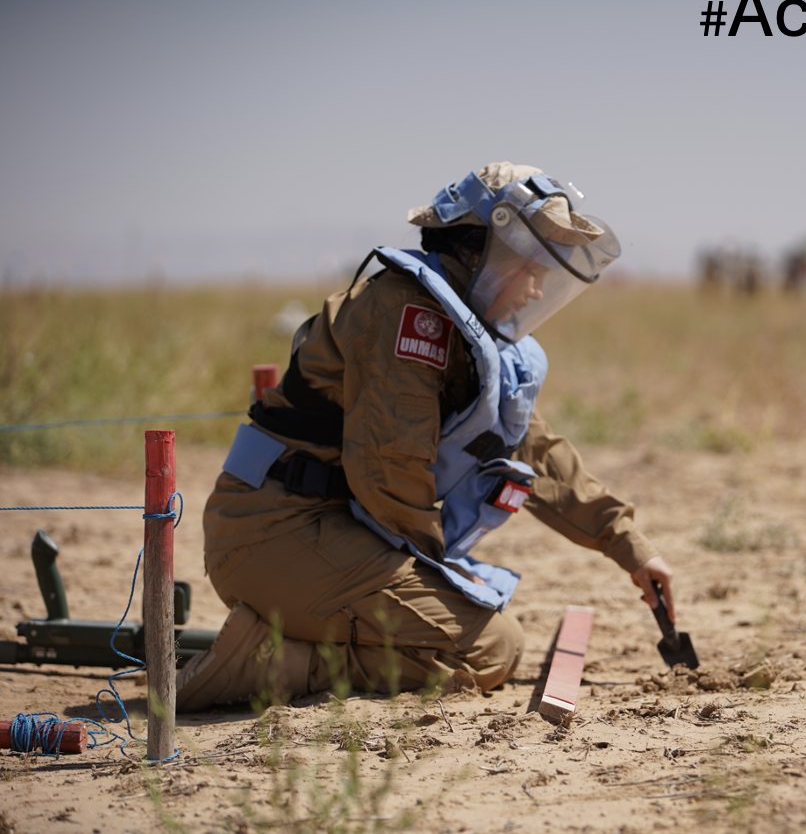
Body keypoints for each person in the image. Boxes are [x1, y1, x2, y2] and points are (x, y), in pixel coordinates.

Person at [176, 162, 674, 710]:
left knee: (485, 628)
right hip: (277, 533)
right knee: (490, 648)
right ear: (479, 251)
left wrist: (630, 547)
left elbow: (533, 449)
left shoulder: (468, 329)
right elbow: (391, 471)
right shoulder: (408, 314)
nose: (536, 288)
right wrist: (439, 571)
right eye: (529, 267)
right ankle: (274, 664)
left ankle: (289, 641)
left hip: (329, 529)